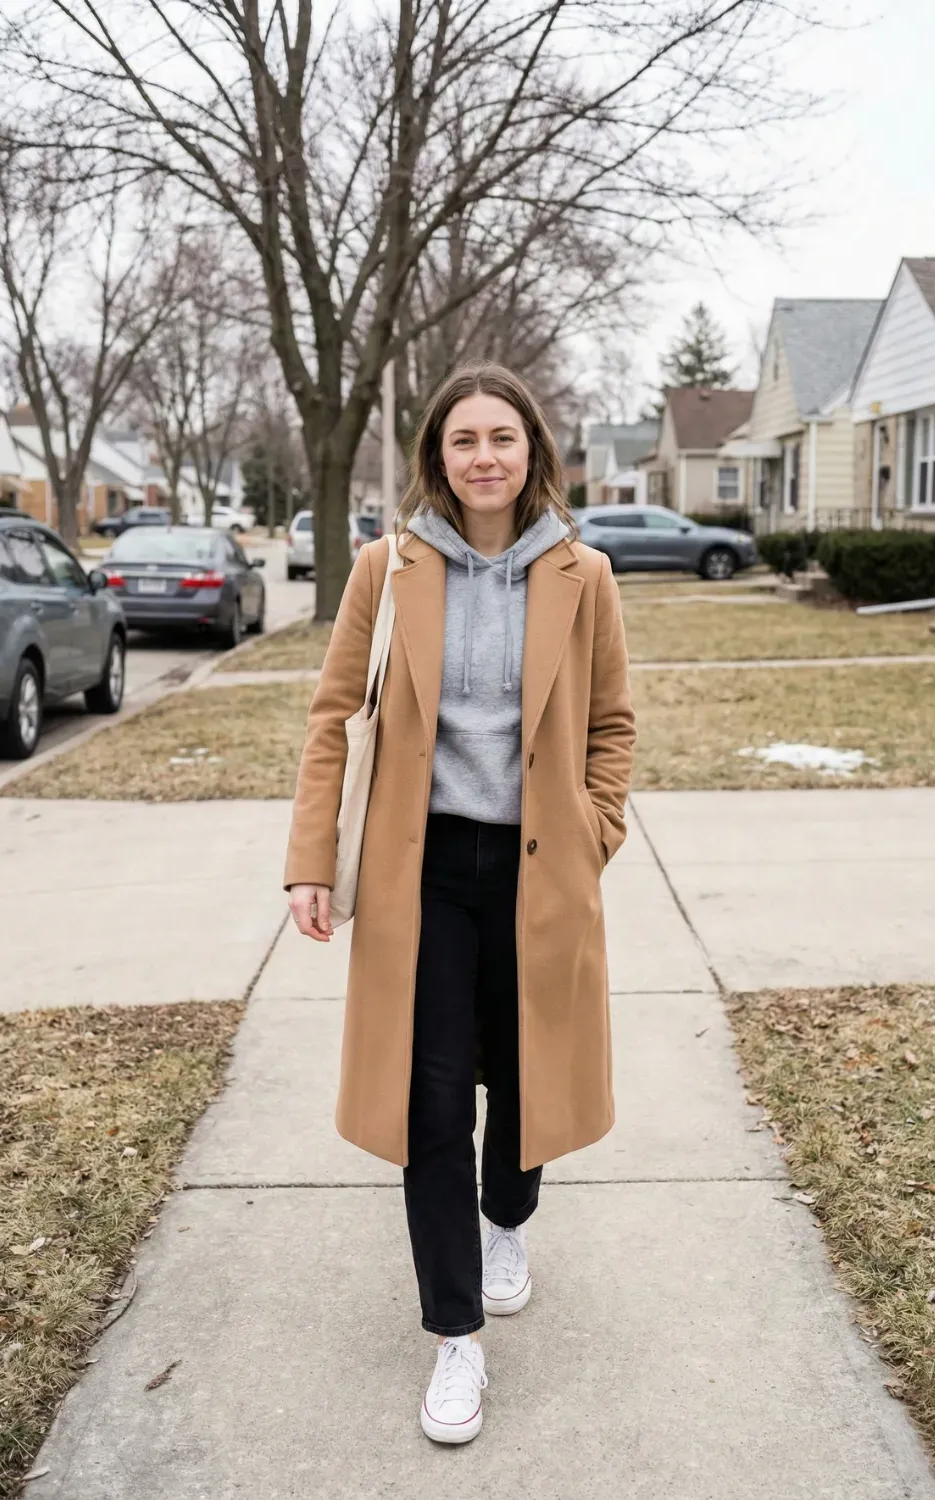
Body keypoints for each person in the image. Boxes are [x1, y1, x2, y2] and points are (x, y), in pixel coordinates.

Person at [284, 362, 635, 1444]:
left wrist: (592, 831)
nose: (483, 456)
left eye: (503, 437)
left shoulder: (585, 575)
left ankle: (509, 1218)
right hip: (419, 872)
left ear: (533, 451)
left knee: (526, 1077)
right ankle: (454, 1336)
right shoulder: (390, 570)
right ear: (437, 456)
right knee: (429, 1102)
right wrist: (309, 859)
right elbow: (336, 713)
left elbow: (611, 726)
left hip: (536, 867)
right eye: (462, 439)